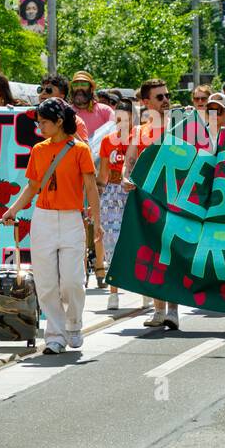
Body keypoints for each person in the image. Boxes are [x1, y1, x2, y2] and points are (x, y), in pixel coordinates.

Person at [0, 98, 101, 355]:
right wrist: (12, 210)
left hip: (71, 219)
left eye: (43, 122)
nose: (39, 127)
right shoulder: (39, 150)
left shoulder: (80, 149)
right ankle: (55, 335)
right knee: (46, 283)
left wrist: (97, 223)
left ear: (58, 122)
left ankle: (74, 324)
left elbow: (91, 187)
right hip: (43, 218)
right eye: (38, 122)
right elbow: (32, 187)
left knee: (72, 281)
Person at [124, 79, 180, 329]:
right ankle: (159, 310)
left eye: (167, 95)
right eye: (159, 97)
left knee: (172, 253)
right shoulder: (139, 132)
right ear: (145, 103)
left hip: (177, 201)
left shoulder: (182, 126)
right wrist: (126, 178)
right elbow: (130, 162)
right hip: (148, 202)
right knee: (154, 254)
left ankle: (173, 310)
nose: (165, 100)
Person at [98, 100, 135, 311]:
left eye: (125, 118)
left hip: (132, 191)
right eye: (117, 118)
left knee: (135, 238)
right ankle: (113, 291)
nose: (121, 123)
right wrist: (96, 198)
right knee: (111, 239)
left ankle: (144, 291)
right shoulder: (107, 141)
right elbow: (102, 173)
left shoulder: (139, 138)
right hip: (111, 192)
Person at [38, 74, 89, 140]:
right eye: (40, 89)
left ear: (61, 96)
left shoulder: (76, 121)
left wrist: (68, 126)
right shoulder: (28, 114)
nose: (43, 92)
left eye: (49, 90)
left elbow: (85, 150)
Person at [70, 71, 115, 135]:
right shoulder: (66, 112)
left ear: (91, 89)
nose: (79, 88)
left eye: (83, 85)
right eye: (75, 85)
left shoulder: (105, 111)